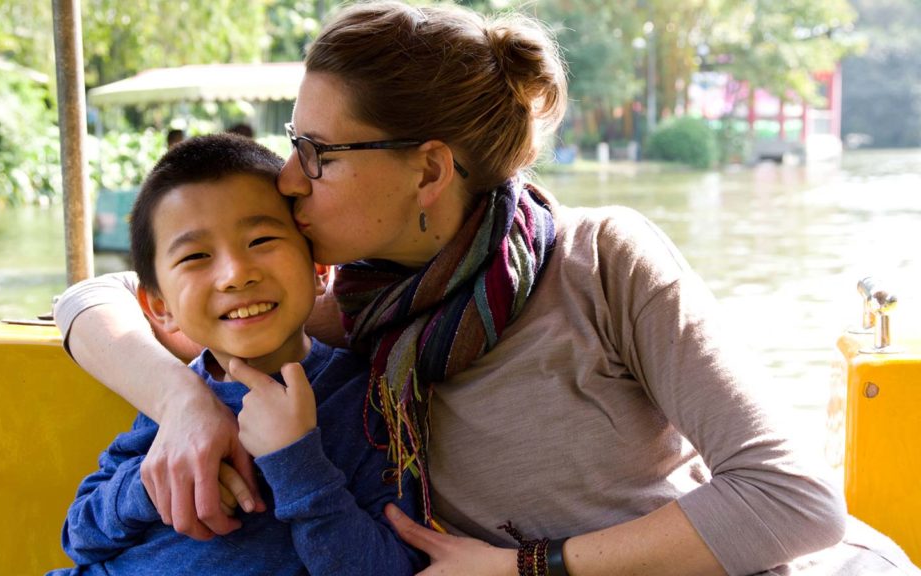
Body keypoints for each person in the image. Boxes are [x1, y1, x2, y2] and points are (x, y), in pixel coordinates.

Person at [54, 2, 920, 575]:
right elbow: (92, 301)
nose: (287, 176)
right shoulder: (341, 302)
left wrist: (527, 568)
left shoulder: (601, 258)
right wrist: (184, 406)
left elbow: (792, 500)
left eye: (320, 152)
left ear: (429, 169)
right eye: (294, 142)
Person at [49, 133, 423, 575]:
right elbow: (79, 536)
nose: (235, 274)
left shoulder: (367, 400)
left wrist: (296, 463)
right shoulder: (175, 397)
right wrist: (152, 487)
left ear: (320, 268)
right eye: (196, 256)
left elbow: (392, 566)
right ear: (160, 307)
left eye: (261, 240)